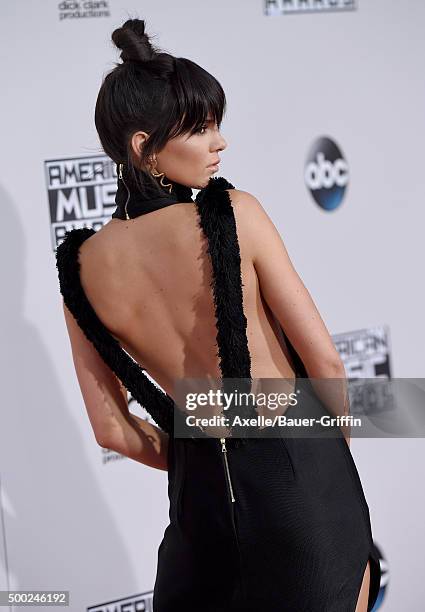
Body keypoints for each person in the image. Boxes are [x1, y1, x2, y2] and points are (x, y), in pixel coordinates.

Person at [55, 18, 381, 612]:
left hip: (198, 507)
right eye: (201, 129)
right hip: (298, 480)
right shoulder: (233, 210)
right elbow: (325, 358)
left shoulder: (81, 266)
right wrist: (326, 461)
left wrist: (199, 460)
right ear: (142, 146)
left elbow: (111, 429)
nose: (219, 144)